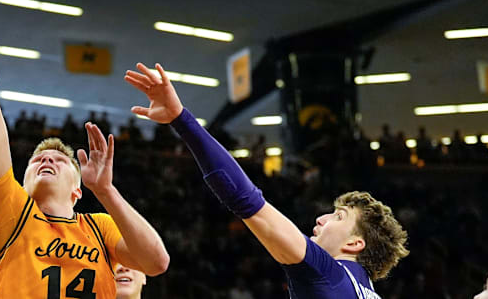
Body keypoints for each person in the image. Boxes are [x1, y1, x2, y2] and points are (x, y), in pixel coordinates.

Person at [0, 0, 168, 298]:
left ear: (78, 190)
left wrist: (107, 191)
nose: (46, 159)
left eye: (60, 160)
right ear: (22, 182)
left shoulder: (99, 227)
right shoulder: (12, 213)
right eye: (37, 160)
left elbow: (156, 263)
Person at [124, 62, 409, 299]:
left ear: (355, 244)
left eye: (338, 217)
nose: (322, 218)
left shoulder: (328, 274)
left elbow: (243, 197)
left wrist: (181, 120)